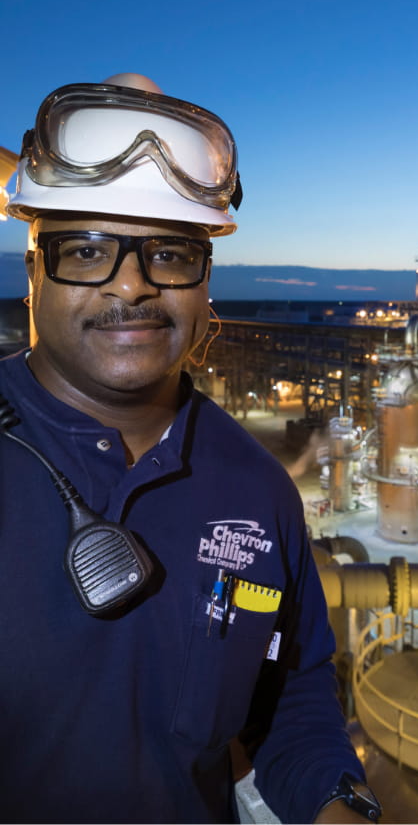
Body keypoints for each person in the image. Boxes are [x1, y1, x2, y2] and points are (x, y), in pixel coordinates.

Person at [0, 74, 382, 824]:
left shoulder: (256, 488)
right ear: (33, 271)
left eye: (169, 254)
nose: (135, 285)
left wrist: (339, 803)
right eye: (86, 249)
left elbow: (290, 688)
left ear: (204, 283)